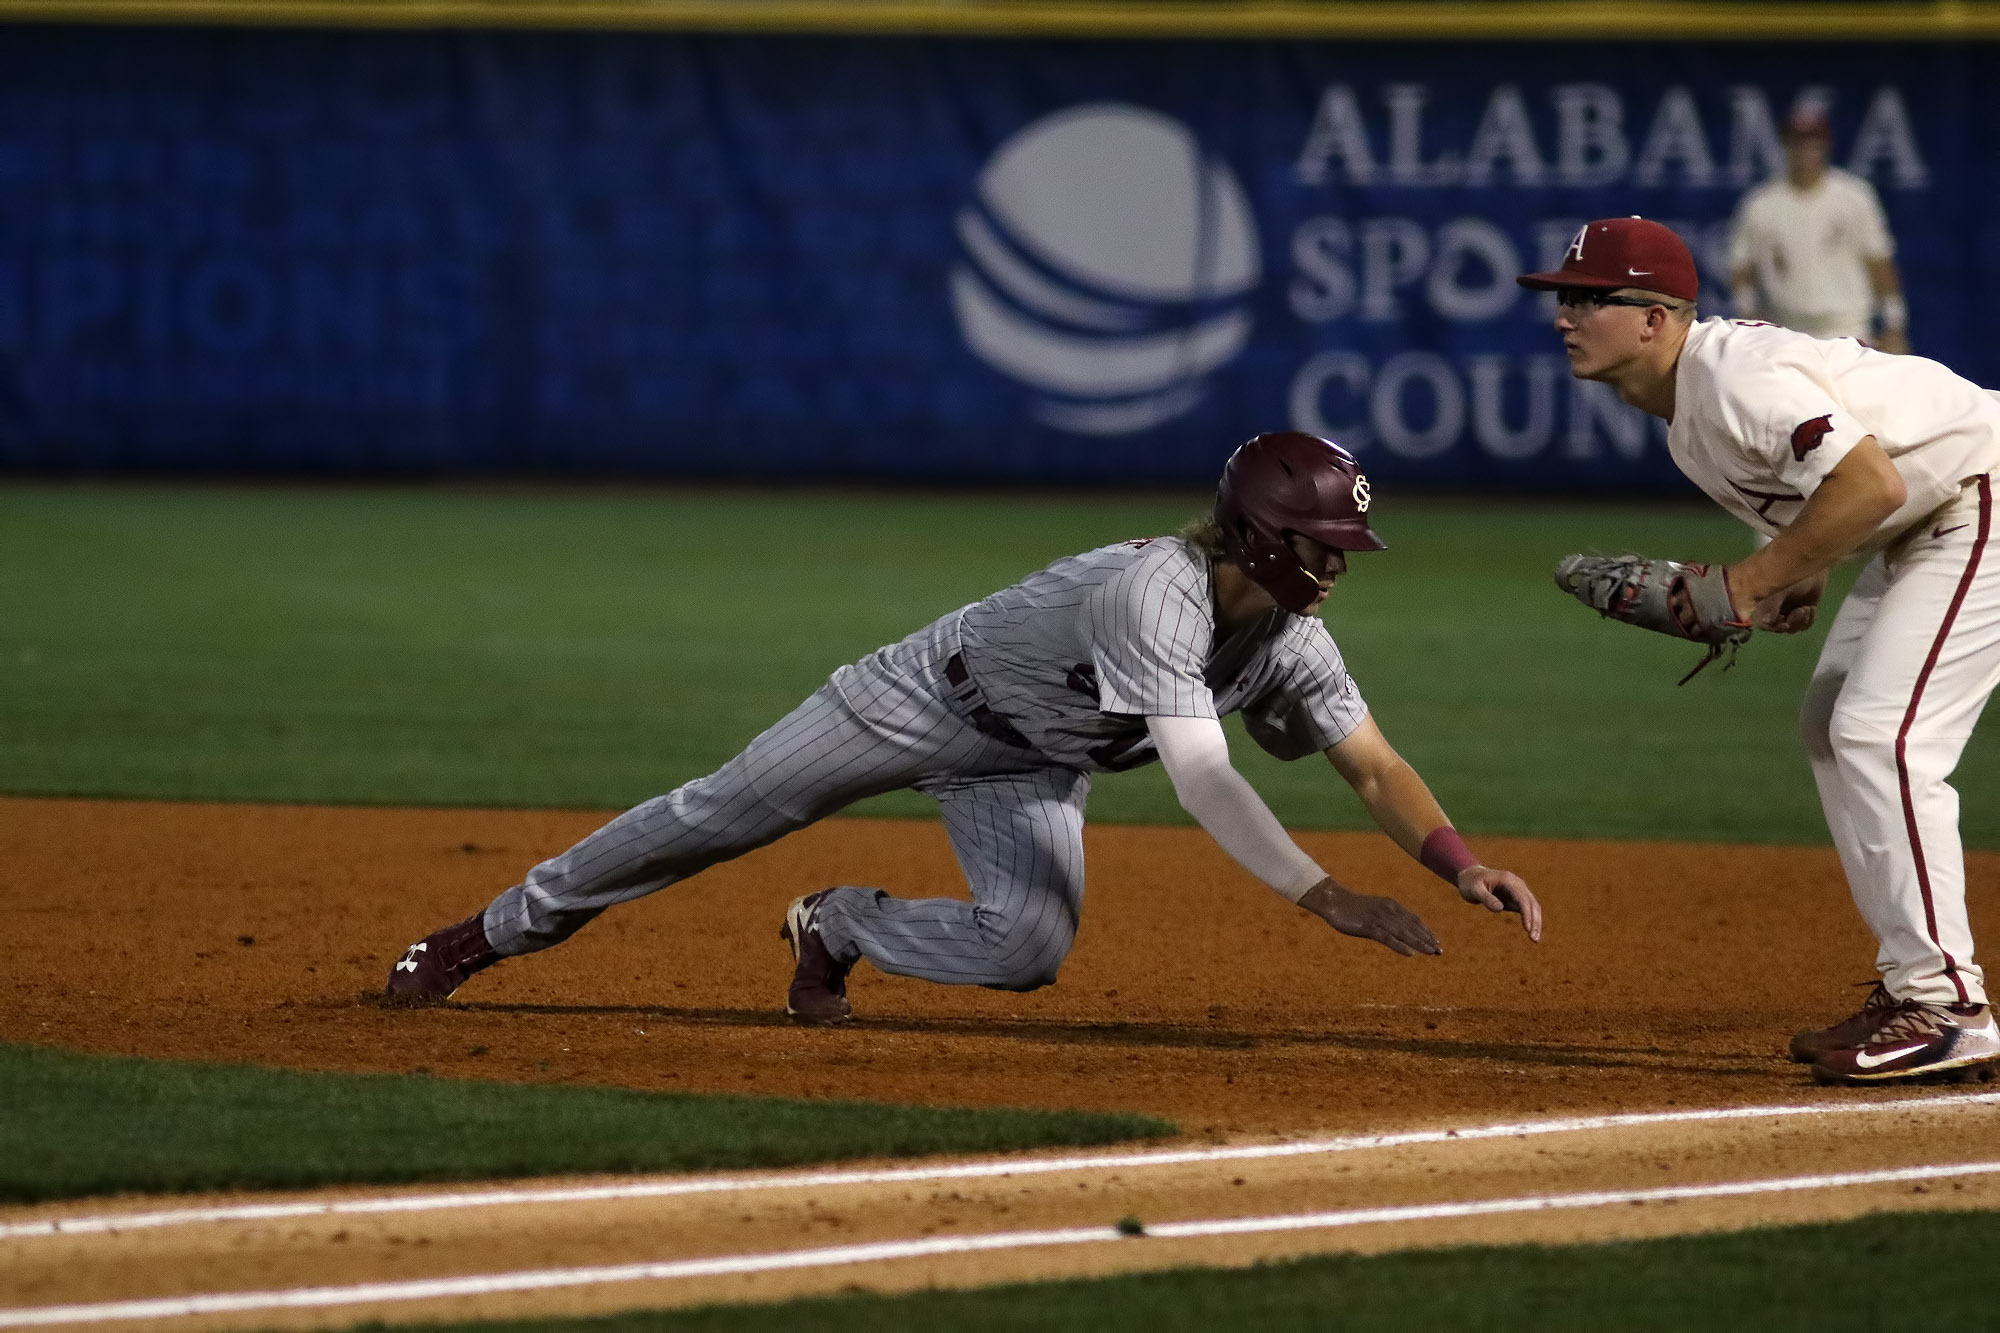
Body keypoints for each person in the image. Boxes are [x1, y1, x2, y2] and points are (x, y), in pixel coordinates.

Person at [383, 432, 1542, 1023]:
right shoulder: (1158, 590)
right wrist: (1322, 894)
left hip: (1033, 763)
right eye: (1322, 545)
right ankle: (486, 933)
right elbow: (1199, 774)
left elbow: (1372, 763)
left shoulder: (1287, 634)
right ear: (1255, 535)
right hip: (918, 701)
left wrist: (1456, 861)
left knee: (1026, 951)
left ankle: (834, 925)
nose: (1338, 567)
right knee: (714, 815)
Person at [1519, 216, 2000, 1086]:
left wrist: (1747, 586)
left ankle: (1951, 1007)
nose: (1565, 315)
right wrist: (1795, 576)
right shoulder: (1683, 424)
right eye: (1565, 298)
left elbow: (1873, 483)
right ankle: (1909, 984)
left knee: (1883, 735)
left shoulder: (1734, 377)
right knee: (1830, 725)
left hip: (1982, 492)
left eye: (1588, 299)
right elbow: (1842, 501)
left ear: (1657, 317)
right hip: (1932, 517)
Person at [1727, 105, 1910, 354]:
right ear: (1786, 145)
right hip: (1786, 334)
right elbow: (1740, 265)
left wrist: (1894, 324)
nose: (1806, 151)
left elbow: (1879, 262)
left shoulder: (1854, 197)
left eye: (1814, 142)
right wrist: (1749, 316)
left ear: (1826, 146)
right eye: (1798, 142)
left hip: (1848, 330)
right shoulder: (1762, 204)